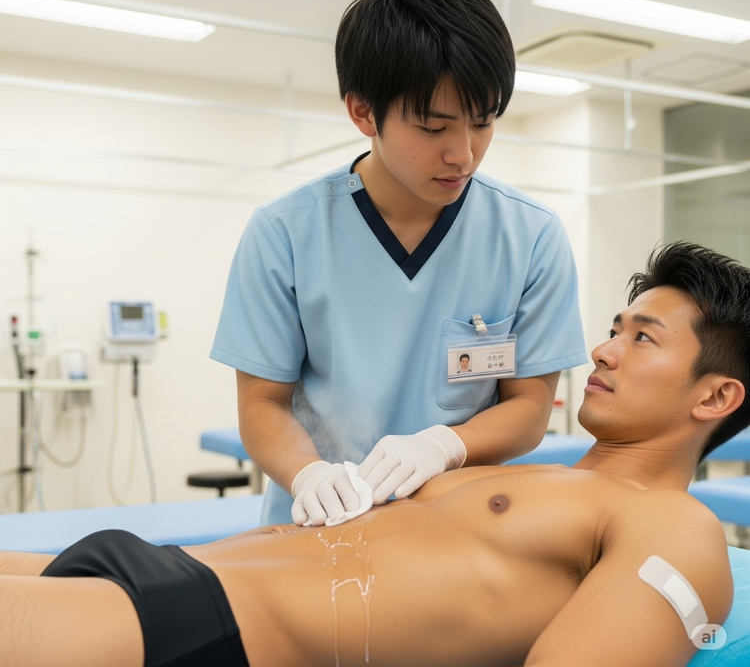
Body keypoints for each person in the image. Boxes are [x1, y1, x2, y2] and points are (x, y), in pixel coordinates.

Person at [3, 241, 750, 667]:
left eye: (642, 338)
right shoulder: (532, 478)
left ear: (716, 396)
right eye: (615, 329)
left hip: (209, 628)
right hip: (161, 568)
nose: (603, 350)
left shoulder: (673, 525)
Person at [210, 0, 587, 526]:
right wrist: (308, 474)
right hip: (317, 528)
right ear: (364, 112)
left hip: (460, 529)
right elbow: (262, 403)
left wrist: (443, 445)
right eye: (434, 128)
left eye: (483, 122)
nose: (463, 154)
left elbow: (529, 407)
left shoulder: (530, 236)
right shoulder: (285, 233)